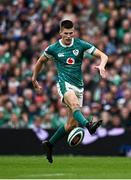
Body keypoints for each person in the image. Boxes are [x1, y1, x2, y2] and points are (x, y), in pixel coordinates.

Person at [32, 20, 108, 163]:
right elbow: (41, 61)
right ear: (60, 33)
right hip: (64, 84)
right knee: (74, 106)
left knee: (71, 125)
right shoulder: (53, 48)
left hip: (79, 86)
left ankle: (49, 144)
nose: (68, 36)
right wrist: (34, 78)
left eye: (71, 33)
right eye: (65, 33)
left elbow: (103, 55)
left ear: (74, 32)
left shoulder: (80, 44)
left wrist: (102, 66)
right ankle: (88, 125)